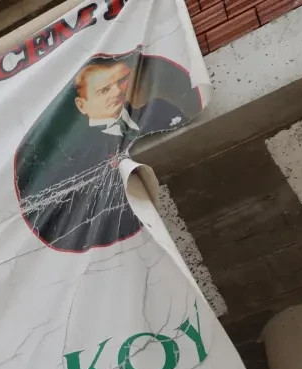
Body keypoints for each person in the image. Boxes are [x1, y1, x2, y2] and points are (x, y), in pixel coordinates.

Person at [16, 52, 192, 252]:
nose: (117, 92)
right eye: (104, 90)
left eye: (121, 82)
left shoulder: (160, 109)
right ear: (82, 105)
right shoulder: (73, 154)